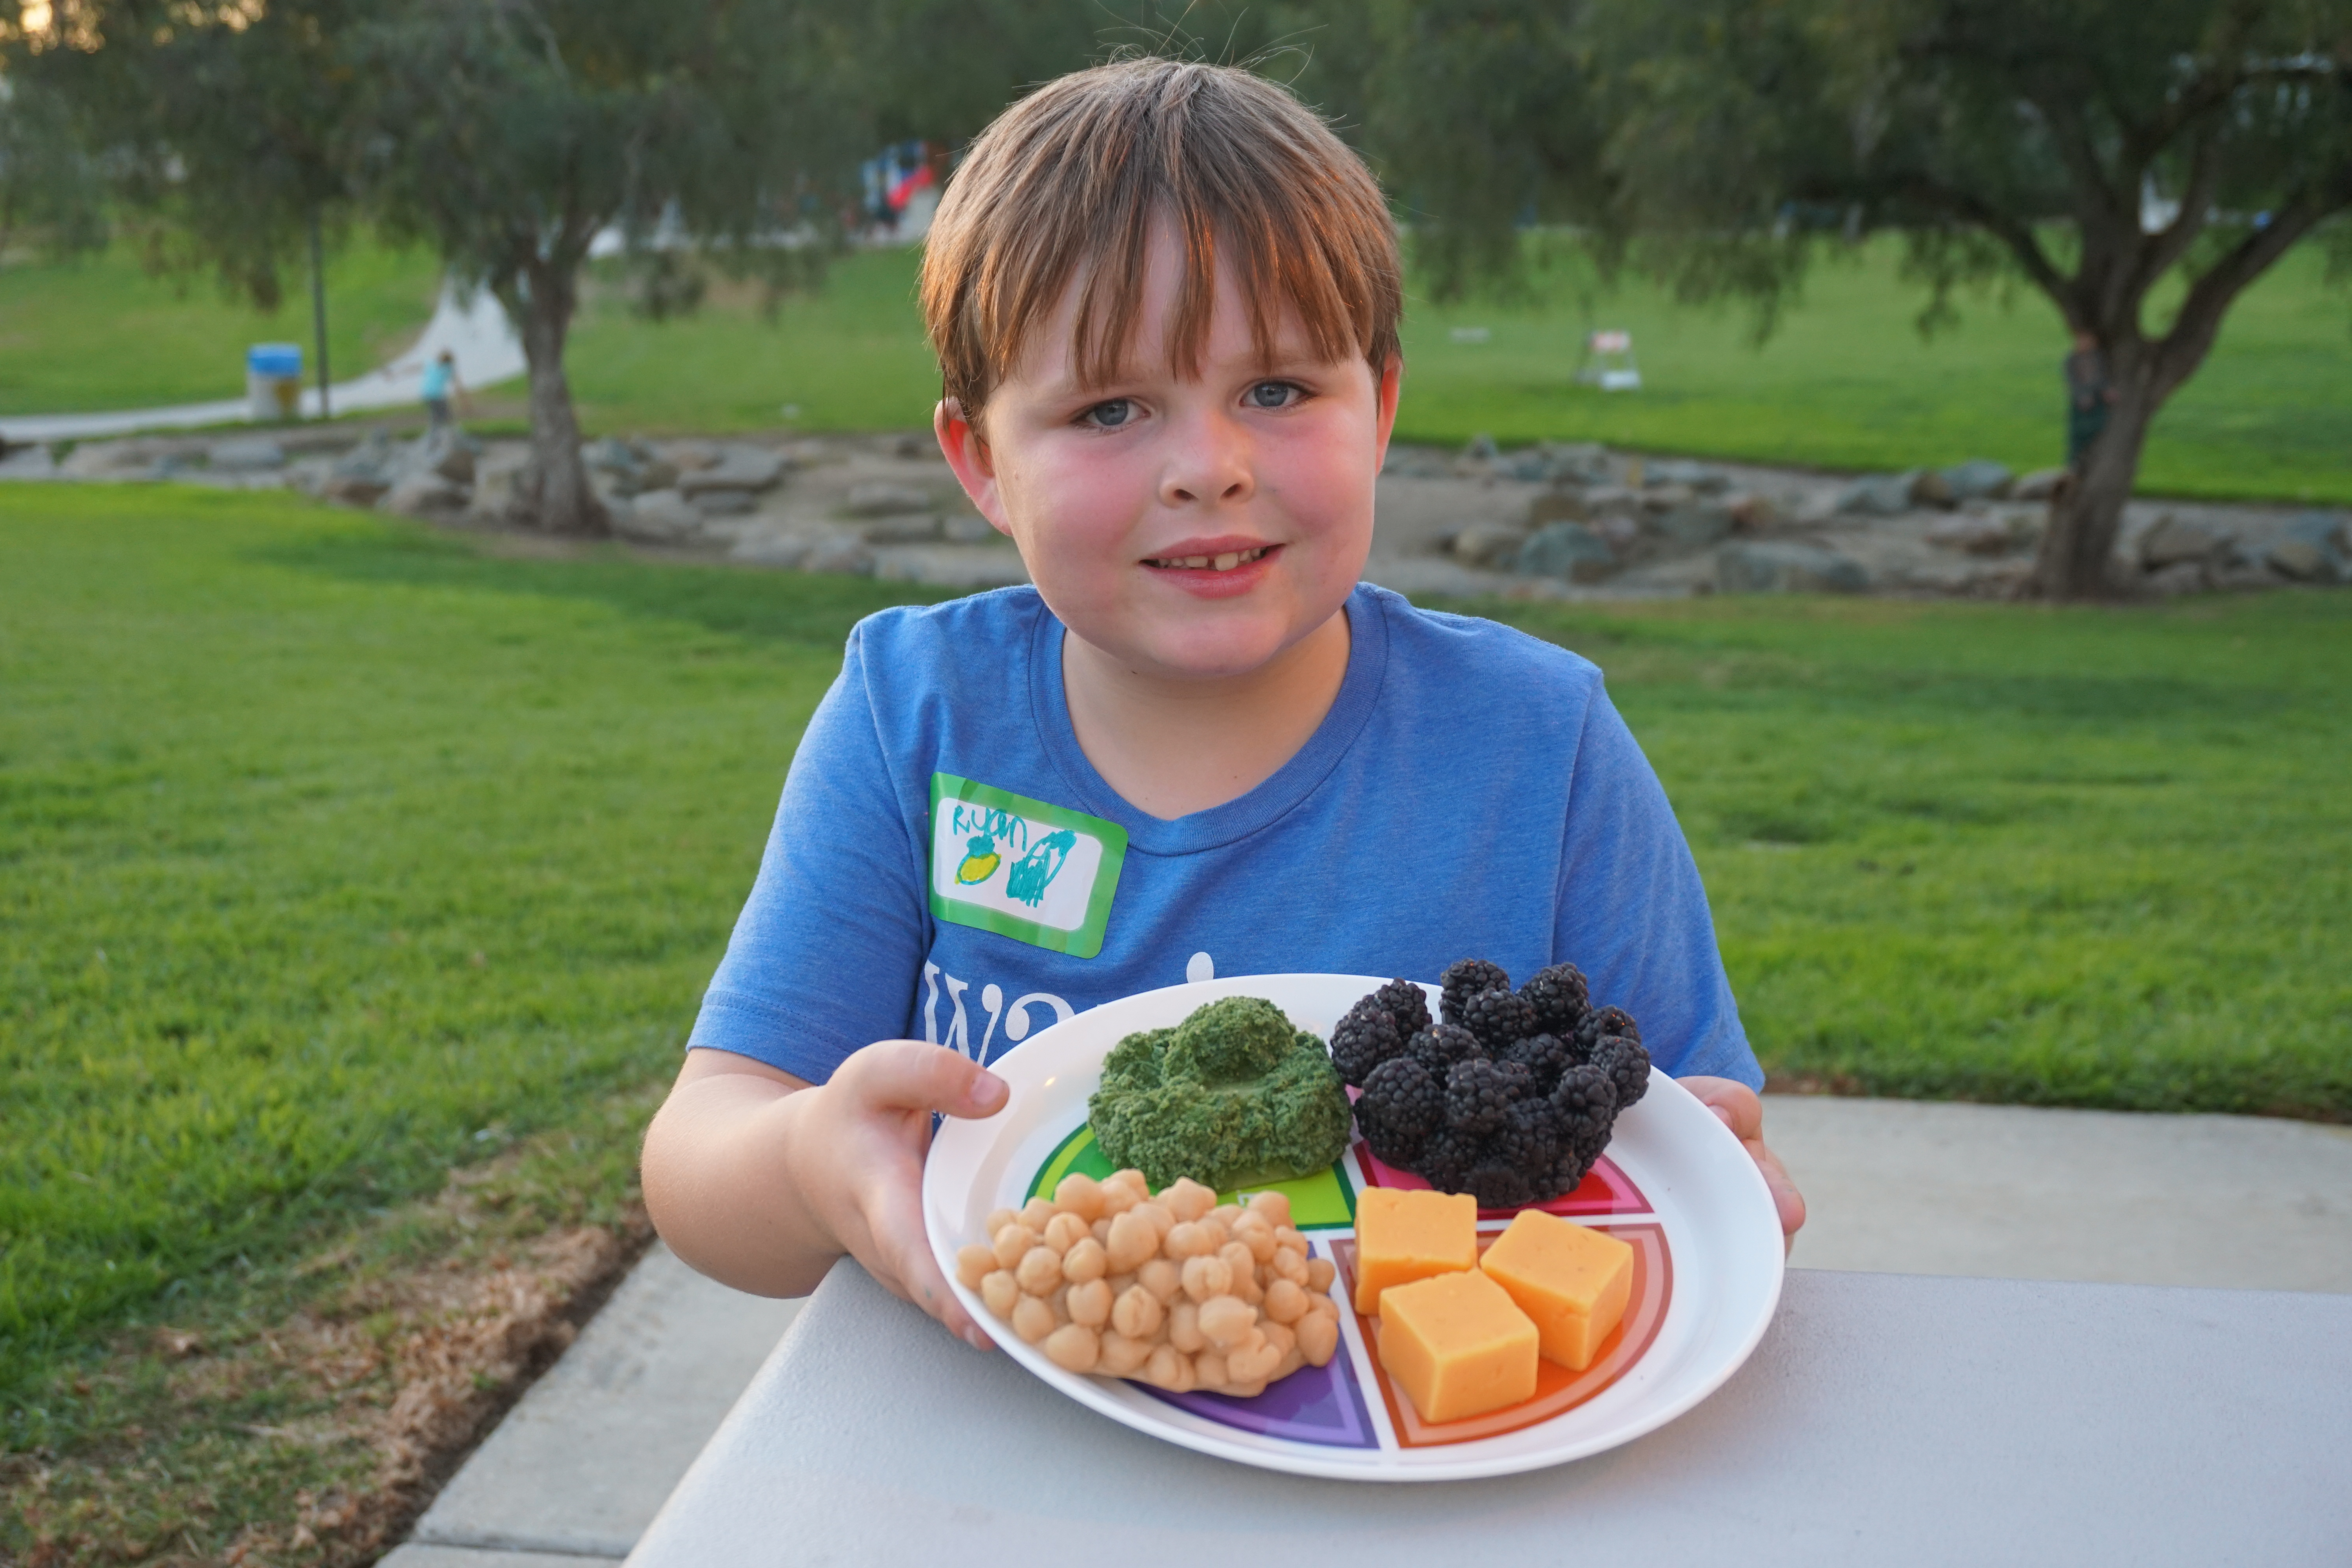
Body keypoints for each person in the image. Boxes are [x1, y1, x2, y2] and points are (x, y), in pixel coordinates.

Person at [641, 60, 1806, 1350]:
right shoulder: (912, 719)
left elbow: (1690, 1127)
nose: (1209, 468)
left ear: (1383, 408)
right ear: (981, 463)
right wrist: (810, 1160)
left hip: (1420, 1466)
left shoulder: (1546, 746)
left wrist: (1724, 1183)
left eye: (1277, 391)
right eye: (1109, 407)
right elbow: (700, 1154)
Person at [2064, 328, 2114, 468]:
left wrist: (2107, 391)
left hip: (2097, 400)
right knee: (2079, 432)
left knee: (2099, 427)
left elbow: (2101, 378)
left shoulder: (2098, 358)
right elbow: (2072, 382)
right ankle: (2075, 463)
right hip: (2082, 402)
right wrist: (2082, 396)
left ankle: (2094, 458)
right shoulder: (2072, 360)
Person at [419, 348, 465, 437]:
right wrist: (465, 403)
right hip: (437, 396)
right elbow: (458, 387)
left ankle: (435, 435)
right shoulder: (449, 368)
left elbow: (414, 368)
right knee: (447, 416)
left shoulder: (431, 363)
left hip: (426, 393)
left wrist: (397, 374)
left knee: (436, 415)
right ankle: (454, 435)